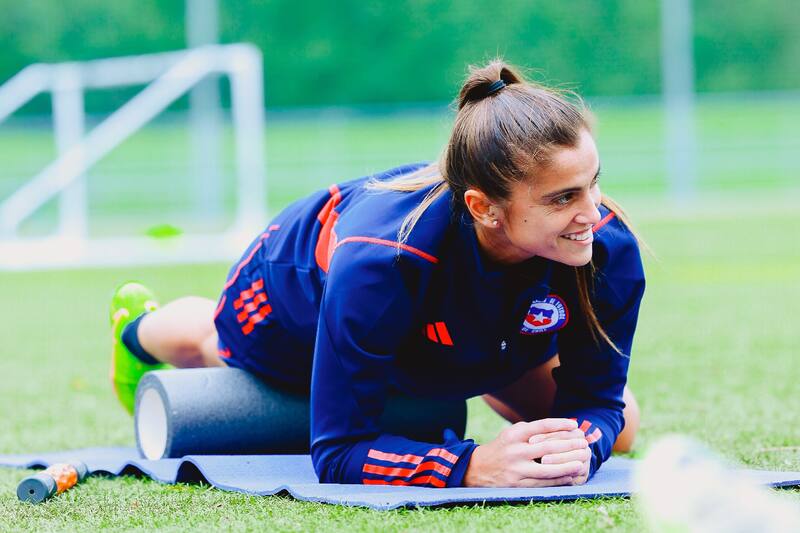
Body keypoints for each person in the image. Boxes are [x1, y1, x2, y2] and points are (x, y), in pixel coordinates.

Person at [109, 59, 644, 488]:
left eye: (593, 182)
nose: (593, 212)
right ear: (484, 208)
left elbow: (597, 404)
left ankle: (465, 359)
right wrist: (471, 466)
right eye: (563, 198)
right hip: (293, 300)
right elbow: (338, 451)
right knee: (211, 344)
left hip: (460, 327)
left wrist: (578, 446)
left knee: (625, 428)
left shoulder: (605, 245)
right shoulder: (381, 264)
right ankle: (138, 330)